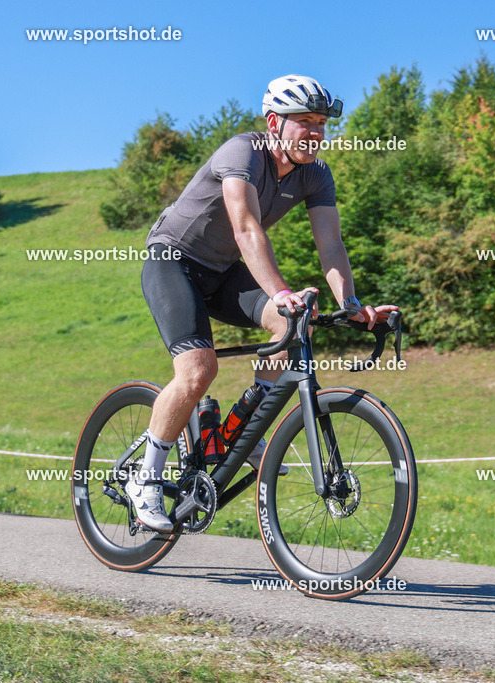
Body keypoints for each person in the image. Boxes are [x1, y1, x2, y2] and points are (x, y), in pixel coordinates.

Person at [128, 74, 398, 532]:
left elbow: (331, 246)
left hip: (224, 273)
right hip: (173, 261)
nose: (316, 132)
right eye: (304, 122)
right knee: (198, 370)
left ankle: (243, 429)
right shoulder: (242, 152)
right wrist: (281, 292)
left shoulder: (316, 174)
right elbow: (246, 229)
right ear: (274, 122)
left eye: (321, 123)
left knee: (298, 325)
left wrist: (351, 303)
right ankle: (146, 477)